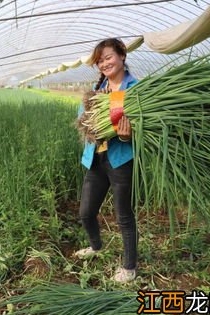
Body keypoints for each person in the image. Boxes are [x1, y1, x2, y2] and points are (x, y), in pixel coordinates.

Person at [75, 38, 139, 283]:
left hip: (121, 159)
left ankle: (130, 268)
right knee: (86, 212)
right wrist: (93, 106)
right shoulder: (98, 90)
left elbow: (144, 131)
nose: (104, 63)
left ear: (122, 56)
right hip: (96, 159)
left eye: (108, 57)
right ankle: (96, 246)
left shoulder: (135, 90)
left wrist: (126, 137)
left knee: (123, 215)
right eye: (100, 60)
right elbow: (83, 119)